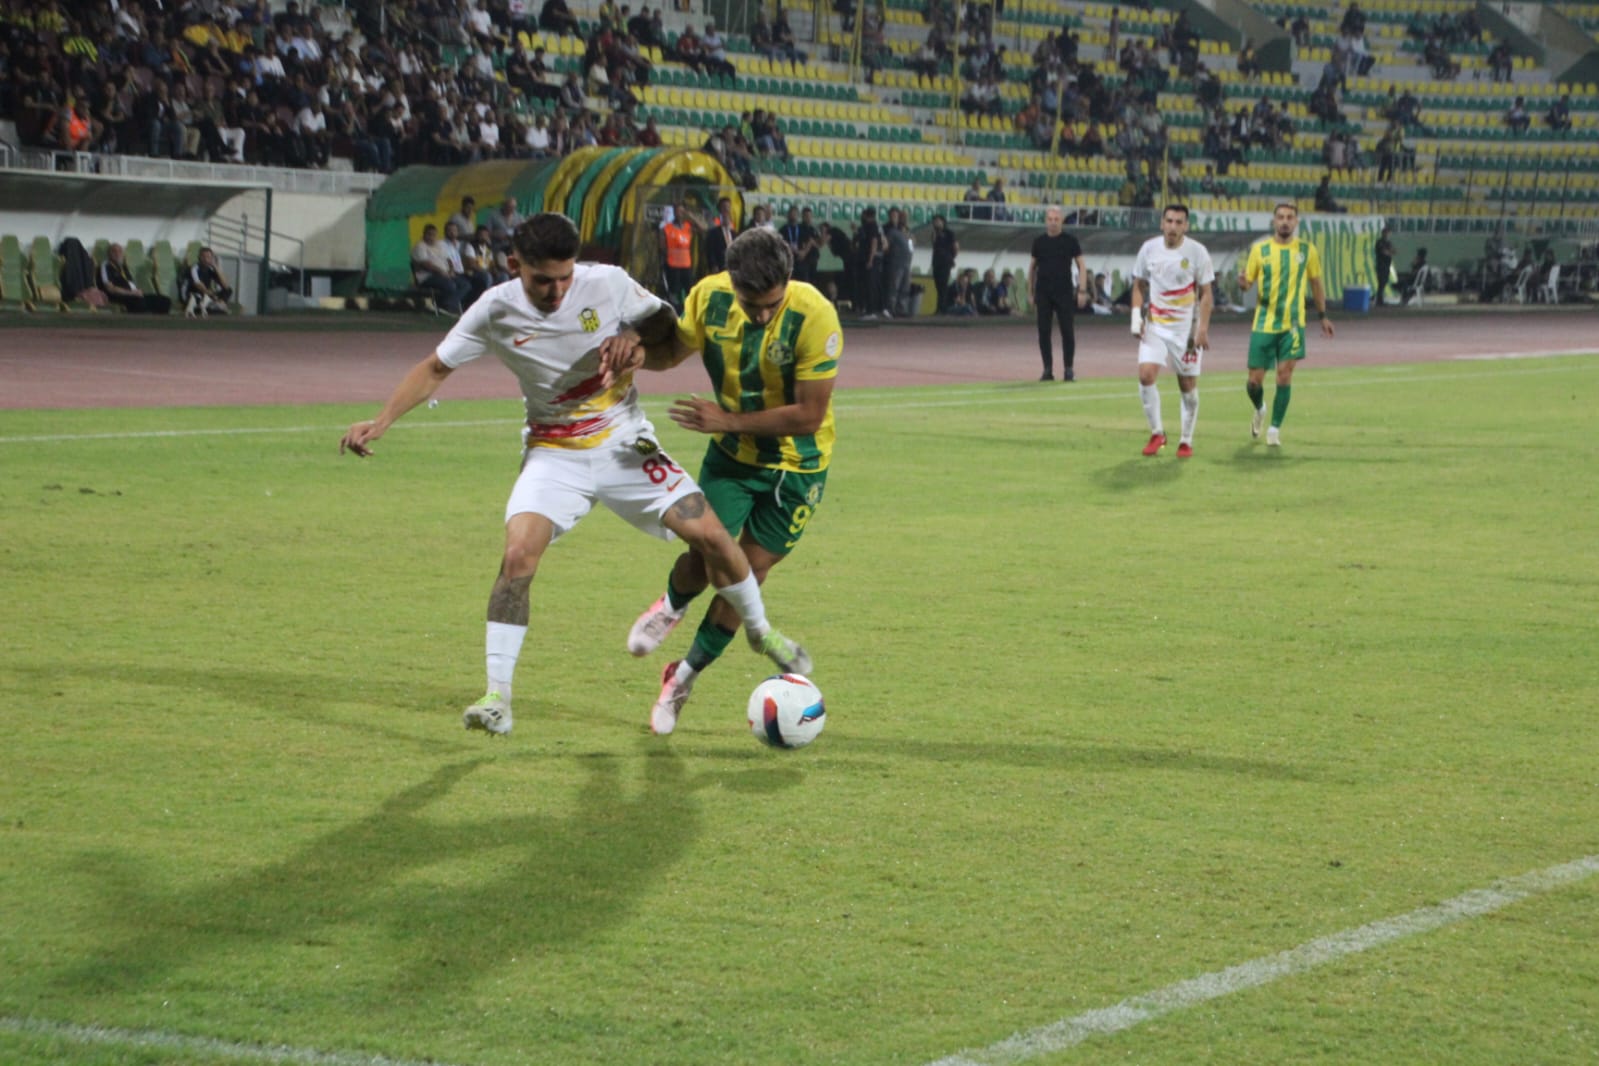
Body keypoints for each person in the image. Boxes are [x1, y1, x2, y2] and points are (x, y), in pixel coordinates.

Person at [339, 213, 807, 737]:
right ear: (515, 265)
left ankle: (760, 631)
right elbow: (434, 368)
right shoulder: (494, 310)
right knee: (517, 555)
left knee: (712, 538)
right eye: (544, 280)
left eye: (565, 277)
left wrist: (633, 339)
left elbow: (664, 326)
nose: (558, 290)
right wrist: (380, 421)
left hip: (626, 442)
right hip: (553, 452)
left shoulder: (605, 282)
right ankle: (498, 697)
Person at [606, 228, 836, 735]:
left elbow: (809, 415)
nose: (759, 315)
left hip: (799, 467)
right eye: (751, 303)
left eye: (770, 305)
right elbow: (672, 352)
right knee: (707, 555)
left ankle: (682, 678)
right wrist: (636, 350)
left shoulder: (815, 315)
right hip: (733, 460)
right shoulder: (708, 298)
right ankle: (670, 606)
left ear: (787, 284)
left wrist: (725, 420)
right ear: (731, 282)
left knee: (747, 575)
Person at [1236, 203, 1335, 447]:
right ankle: (1260, 408)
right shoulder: (1260, 250)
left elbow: (1316, 283)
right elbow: (1247, 284)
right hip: (1264, 323)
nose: (1285, 221)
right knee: (1253, 382)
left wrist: (1322, 315)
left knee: (1284, 375)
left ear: (1296, 222)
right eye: (1280, 217)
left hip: (1293, 325)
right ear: (1273, 221)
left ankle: (1274, 429)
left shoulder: (1306, 250)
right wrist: (1242, 282)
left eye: (1290, 217)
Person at [1129, 204, 1215, 458]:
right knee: (1145, 375)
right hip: (1155, 325)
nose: (1173, 227)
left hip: (1185, 332)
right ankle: (1157, 433)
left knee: (1187, 387)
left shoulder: (1197, 252)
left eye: (1179, 222)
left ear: (1186, 226)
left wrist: (1202, 329)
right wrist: (1136, 317)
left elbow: (1207, 293)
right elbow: (1138, 285)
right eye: (1169, 221)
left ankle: (1186, 440)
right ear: (1161, 223)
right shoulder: (1149, 249)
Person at [1027, 205, 1090, 381]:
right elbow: (1032, 268)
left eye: (1056, 219)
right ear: (1046, 221)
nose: (1053, 223)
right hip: (1043, 292)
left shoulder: (1070, 241)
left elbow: (1082, 266)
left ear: (1061, 220)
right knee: (1044, 332)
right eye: (1050, 219)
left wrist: (1082, 290)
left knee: (1067, 331)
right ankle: (1047, 369)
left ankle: (1068, 368)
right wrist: (1030, 293)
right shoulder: (1038, 242)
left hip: (1064, 291)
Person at [411, 222, 472, 314]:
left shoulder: (439, 245)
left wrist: (451, 271)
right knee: (450, 285)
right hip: (428, 277)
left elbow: (449, 260)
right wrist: (441, 272)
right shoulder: (420, 246)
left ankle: (448, 304)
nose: (431, 237)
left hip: (445, 274)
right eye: (429, 235)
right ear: (424, 234)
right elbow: (426, 264)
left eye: (434, 235)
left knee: (466, 285)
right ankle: (447, 306)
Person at [98, 243, 172, 314]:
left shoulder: (123, 267)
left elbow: (130, 284)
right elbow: (111, 289)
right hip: (119, 296)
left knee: (165, 301)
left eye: (120, 251)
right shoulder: (106, 266)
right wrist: (131, 293)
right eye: (114, 251)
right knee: (140, 303)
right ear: (109, 254)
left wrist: (136, 292)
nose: (117, 254)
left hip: (133, 294)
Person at [182, 248, 234, 317]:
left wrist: (216, 267)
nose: (206, 259)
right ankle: (210, 306)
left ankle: (216, 305)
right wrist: (212, 295)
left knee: (228, 290)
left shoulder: (210, 269)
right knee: (200, 295)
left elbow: (225, 285)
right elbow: (198, 285)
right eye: (204, 257)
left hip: (205, 295)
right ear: (199, 258)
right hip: (192, 294)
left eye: (209, 257)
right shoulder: (194, 268)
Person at [930, 214, 958, 313]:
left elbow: (955, 247)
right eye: (934, 221)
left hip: (945, 262)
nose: (936, 223)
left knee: (943, 285)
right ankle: (940, 307)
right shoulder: (934, 233)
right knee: (938, 285)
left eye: (938, 221)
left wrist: (951, 258)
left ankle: (942, 308)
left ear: (943, 222)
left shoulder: (949, 233)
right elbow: (934, 246)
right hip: (936, 262)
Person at [1374, 226, 1394, 308]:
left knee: (1384, 282)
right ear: (1383, 233)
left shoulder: (1388, 242)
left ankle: (1380, 299)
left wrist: (1389, 252)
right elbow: (1384, 252)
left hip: (1387, 265)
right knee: (1381, 282)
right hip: (1381, 265)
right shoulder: (1380, 242)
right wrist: (1389, 252)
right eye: (1386, 233)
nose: (1388, 234)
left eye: (1388, 233)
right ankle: (1379, 300)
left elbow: (1393, 251)